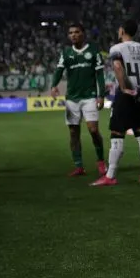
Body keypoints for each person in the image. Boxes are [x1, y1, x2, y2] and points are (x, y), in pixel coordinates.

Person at [92, 19, 140, 186]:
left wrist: (124, 88)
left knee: (117, 134)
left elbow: (118, 66)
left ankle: (110, 176)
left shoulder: (117, 48)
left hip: (126, 95)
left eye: (119, 28)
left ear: (122, 30)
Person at [50, 23, 107, 177]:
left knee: (93, 130)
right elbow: (59, 70)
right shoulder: (66, 52)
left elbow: (100, 75)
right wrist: (54, 85)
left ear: (83, 33)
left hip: (89, 97)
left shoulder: (93, 50)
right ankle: (79, 166)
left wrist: (101, 95)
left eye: (76, 32)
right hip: (72, 99)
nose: (73, 35)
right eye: (70, 33)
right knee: (73, 133)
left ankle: (101, 161)